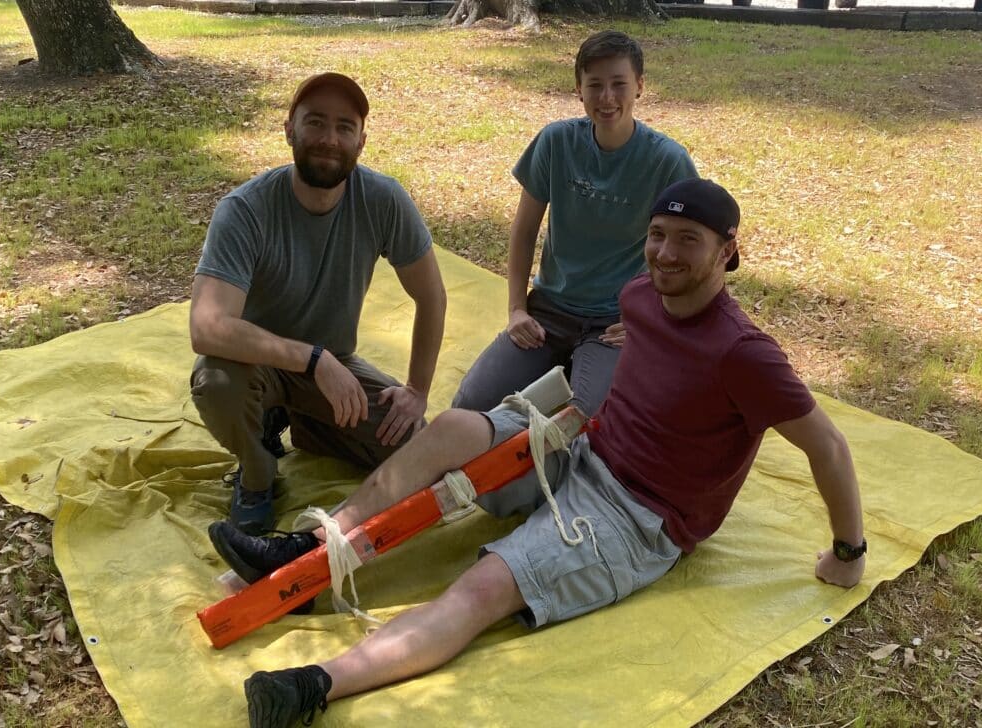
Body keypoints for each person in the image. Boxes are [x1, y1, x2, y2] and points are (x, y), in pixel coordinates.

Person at [213, 178, 868, 728]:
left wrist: (848, 553)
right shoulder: (642, 296)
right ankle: (307, 554)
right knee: (449, 430)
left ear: (728, 252)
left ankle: (313, 687)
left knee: (484, 584)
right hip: (582, 447)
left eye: (688, 241)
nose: (665, 254)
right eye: (658, 236)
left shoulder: (745, 354)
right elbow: (646, 358)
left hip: (638, 518)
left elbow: (829, 447)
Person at [190, 72, 447, 536]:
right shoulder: (244, 209)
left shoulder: (383, 199)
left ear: (361, 141)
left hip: (334, 366)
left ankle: (307, 425)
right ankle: (256, 471)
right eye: (315, 123)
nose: (329, 139)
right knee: (215, 381)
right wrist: (312, 359)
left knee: (412, 442)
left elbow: (431, 295)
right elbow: (207, 327)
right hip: (257, 367)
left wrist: (417, 389)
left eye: (344, 127)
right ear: (289, 129)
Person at [451, 30, 697, 417]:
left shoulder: (666, 160)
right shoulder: (556, 142)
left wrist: (650, 320)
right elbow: (524, 229)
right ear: (578, 89)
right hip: (549, 311)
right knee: (470, 404)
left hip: (615, 322)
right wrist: (517, 309)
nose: (607, 98)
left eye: (619, 84)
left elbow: (687, 254)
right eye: (594, 85)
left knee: (579, 420)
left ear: (640, 87)